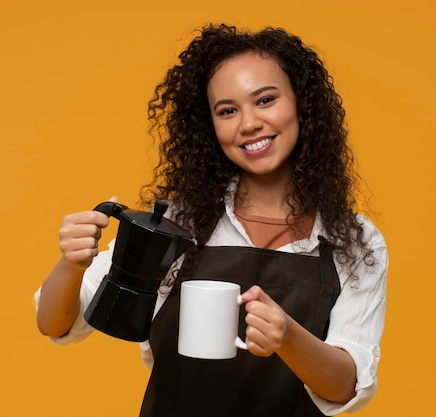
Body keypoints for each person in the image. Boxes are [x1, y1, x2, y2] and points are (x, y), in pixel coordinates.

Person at [35, 23, 388, 417]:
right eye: (228, 111)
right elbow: (56, 323)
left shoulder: (354, 241)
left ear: (302, 104)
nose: (249, 123)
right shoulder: (177, 222)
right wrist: (71, 263)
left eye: (266, 100)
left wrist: (287, 336)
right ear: (210, 126)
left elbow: (345, 387)